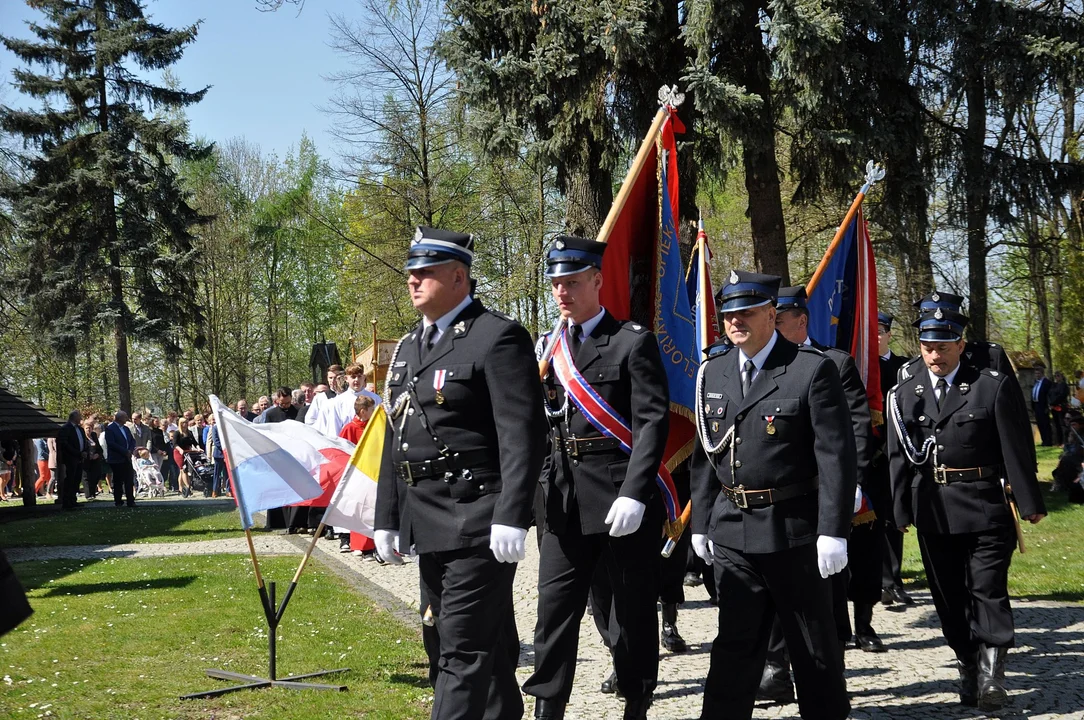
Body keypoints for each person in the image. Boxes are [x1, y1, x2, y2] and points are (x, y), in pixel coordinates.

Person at [374, 226, 547, 720]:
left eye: (424, 272)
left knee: (461, 651)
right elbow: (394, 437)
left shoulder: (498, 337)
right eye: (410, 273)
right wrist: (387, 516)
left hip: (478, 518)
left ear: (458, 276)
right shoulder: (409, 347)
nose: (413, 281)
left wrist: (512, 514)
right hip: (428, 521)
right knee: (466, 647)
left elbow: (522, 435)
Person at [689, 270, 856, 720]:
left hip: (793, 532)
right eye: (728, 313)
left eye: (746, 311)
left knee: (813, 647)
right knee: (734, 644)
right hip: (733, 530)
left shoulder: (810, 369)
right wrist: (701, 522)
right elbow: (707, 451)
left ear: (771, 313)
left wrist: (833, 531)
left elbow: (836, 456)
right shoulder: (714, 370)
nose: (735, 320)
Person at [522, 235, 670, 720]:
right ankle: (549, 708)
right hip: (562, 499)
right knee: (554, 611)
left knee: (631, 609)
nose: (562, 292)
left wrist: (634, 492)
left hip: (617, 496)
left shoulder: (631, 341)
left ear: (597, 280)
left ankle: (636, 698)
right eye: (555, 284)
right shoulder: (547, 347)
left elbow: (651, 422)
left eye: (571, 282)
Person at [888, 305, 1046, 710]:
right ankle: (968, 663)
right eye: (927, 347)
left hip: (984, 505)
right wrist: (900, 510)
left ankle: (993, 673)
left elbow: (1016, 448)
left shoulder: (990, 386)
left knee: (987, 587)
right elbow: (897, 457)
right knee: (948, 595)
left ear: (961, 344)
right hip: (934, 510)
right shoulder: (905, 393)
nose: (935, 356)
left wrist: (1028, 502)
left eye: (943, 346)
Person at [755, 286, 881, 701]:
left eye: (778, 318)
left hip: (818, 498)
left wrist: (850, 486)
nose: (769, 325)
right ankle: (776, 668)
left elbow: (855, 431)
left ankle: (829, 668)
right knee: (769, 588)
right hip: (771, 498)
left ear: (801, 321)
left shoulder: (834, 363)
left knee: (821, 593)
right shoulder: (752, 365)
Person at [878, 312, 914, 607]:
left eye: (879, 330)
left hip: (896, 453)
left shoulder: (904, 368)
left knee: (894, 519)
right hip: (867, 453)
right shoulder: (857, 365)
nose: (875, 335)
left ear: (889, 333)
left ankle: (892, 580)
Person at [104, 411, 138, 508]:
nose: (127, 418)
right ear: (119, 418)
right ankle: (118, 501)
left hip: (127, 458)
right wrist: (124, 451)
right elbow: (111, 443)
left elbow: (132, 440)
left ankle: (130, 501)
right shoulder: (110, 429)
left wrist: (130, 450)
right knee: (118, 481)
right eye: (125, 417)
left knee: (129, 479)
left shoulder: (126, 429)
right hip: (116, 459)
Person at [56, 410, 87, 510]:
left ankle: (73, 500)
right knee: (70, 479)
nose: (81, 418)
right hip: (71, 458)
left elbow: (84, 441)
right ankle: (67, 501)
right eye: (79, 416)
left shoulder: (80, 429)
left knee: (77, 479)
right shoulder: (66, 429)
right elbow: (65, 444)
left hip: (80, 458)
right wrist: (77, 453)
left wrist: (85, 451)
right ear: (74, 417)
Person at [1032, 367, 1052, 446]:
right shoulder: (1036, 383)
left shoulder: (1047, 383)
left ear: (1042, 373)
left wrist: (1048, 406)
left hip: (1043, 405)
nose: (1037, 375)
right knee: (1040, 424)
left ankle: (1048, 441)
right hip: (1036, 405)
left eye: (1038, 373)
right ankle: (1044, 440)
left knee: (1045, 424)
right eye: (1036, 373)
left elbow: (1049, 395)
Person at [1050, 371, 1069, 446]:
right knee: (1057, 425)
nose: (1057, 377)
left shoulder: (1064, 385)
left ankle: (1065, 442)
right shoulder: (1053, 385)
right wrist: (1050, 403)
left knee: (1062, 425)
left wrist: (1054, 402)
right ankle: (1059, 441)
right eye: (1055, 376)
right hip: (1053, 407)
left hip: (1061, 407)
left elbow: (1062, 395)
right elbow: (1049, 394)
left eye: (1058, 376)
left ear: (1061, 377)